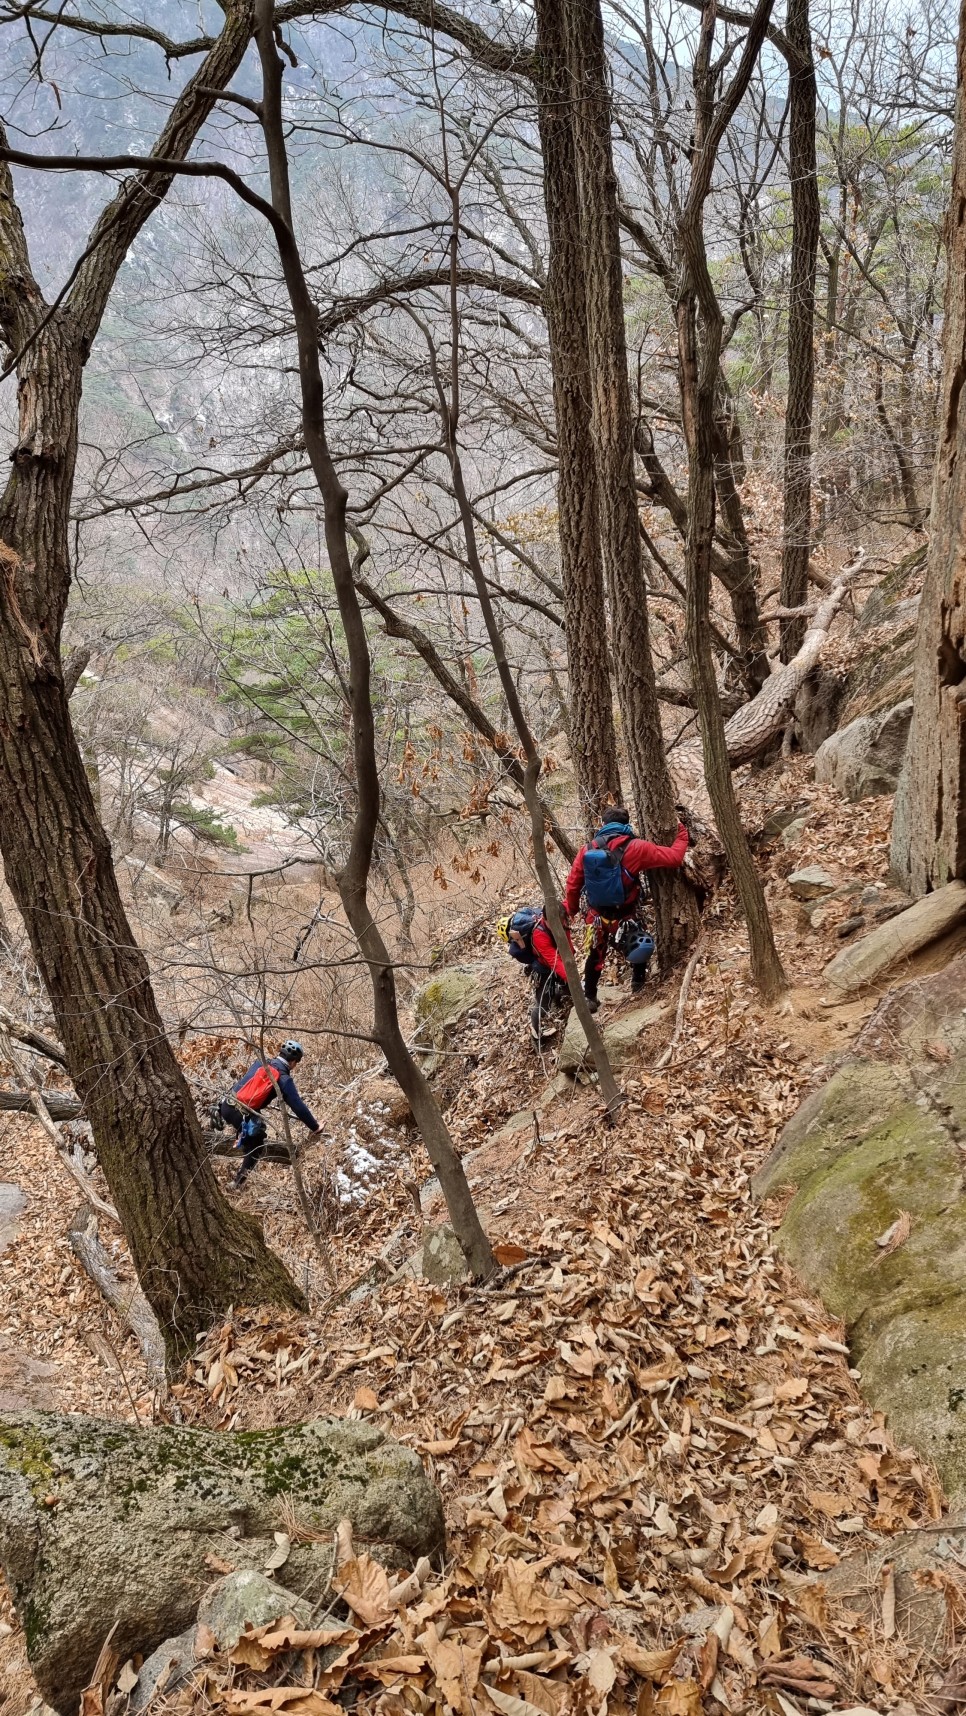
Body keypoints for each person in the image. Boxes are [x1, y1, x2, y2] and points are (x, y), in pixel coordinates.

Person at [563, 807, 690, 1008]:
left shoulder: (586, 850)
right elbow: (674, 858)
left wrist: (570, 910)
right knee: (639, 941)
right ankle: (638, 985)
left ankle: (590, 997)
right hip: (626, 915)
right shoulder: (636, 847)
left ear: (602, 825)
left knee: (595, 954)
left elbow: (573, 885)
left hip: (596, 917)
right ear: (626, 825)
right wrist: (682, 833)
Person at [218, 1039, 321, 1188]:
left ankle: (240, 1137)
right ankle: (237, 1183)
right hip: (242, 1113)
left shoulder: (261, 1062)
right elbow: (298, 1107)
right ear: (293, 1062)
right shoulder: (284, 1079)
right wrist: (315, 1126)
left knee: (252, 1130)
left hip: (226, 1104)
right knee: (257, 1144)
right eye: (296, 1062)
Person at [497, 906, 573, 1046]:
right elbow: (553, 961)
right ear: (545, 919)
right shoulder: (539, 934)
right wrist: (573, 978)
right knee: (543, 1005)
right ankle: (536, 1035)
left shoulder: (560, 921)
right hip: (542, 968)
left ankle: (558, 996)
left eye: (562, 922)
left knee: (566, 987)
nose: (561, 925)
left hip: (555, 961)